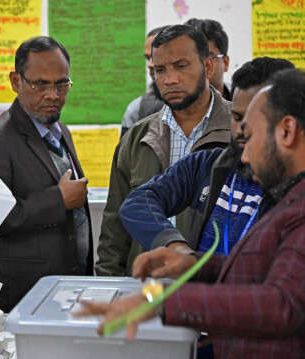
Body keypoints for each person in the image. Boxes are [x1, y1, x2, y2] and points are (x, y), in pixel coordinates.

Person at [76, 68, 305, 359]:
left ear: (286, 131)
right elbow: (260, 272)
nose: (244, 154)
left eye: (253, 135)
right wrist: (193, 264)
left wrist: (162, 301)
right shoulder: (287, 196)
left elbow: (281, 304)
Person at [119, 57, 295, 256]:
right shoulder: (208, 164)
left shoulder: (294, 193)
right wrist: (174, 246)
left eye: (256, 119)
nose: (242, 130)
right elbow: (138, 202)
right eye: (237, 117)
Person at [95, 25, 232, 276]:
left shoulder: (241, 132)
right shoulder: (137, 138)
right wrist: (108, 284)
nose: (169, 79)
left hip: (218, 289)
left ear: (208, 67)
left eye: (181, 66)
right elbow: (115, 230)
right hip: (146, 288)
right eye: (159, 70)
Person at [0, 36, 93, 312]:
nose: (53, 94)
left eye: (62, 84)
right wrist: (58, 200)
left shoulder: (59, 129)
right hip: (19, 298)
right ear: (16, 82)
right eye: (40, 85)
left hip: (65, 288)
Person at [121, 26, 166, 135]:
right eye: (147, 58)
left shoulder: (204, 106)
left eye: (156, 56)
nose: (150, 64)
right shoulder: (137, 109)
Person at [185, 18, 231, 101]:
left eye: (209, 57)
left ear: (226, 63)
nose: (199, 65)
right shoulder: (164, 108)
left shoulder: (245, 105)